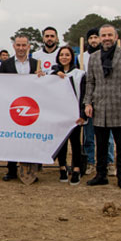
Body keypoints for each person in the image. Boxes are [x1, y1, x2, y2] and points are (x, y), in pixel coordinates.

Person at [84, 24, 121, 190]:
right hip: (100, 108)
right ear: (100, 38)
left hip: (120, 108)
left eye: (109, 35)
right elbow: (90, 82)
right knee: (101, 145)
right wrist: (88, 102)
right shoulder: (94, 57)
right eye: (104, 35)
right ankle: (101, 175)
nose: (107, 38)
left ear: (116, 37)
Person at [0, 34, 43, 182]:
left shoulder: (36, 64)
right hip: (12, 107)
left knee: (30, 139)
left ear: (29, 46)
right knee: (12, 138)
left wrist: (42, 76)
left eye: (24, 45)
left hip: (30, 108)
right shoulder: (5, 64)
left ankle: (30, 171)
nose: (21, 48)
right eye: (18, 45)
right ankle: (11, 170)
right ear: (14, 46)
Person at [81, 28, 116, 176]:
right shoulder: (82, 57)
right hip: (89, 100)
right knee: (88, 135)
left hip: (105, 101)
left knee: (108, 137)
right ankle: (90, 162)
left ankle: (109, 162)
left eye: (96, 37)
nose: (93, 40)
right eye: (91, 38)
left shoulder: (109, 55)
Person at [52, 46, 86, 185]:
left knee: (75, 142)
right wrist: (56, 72)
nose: (64, 57)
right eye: (62, 55)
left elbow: (84, 95)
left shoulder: (80, 74)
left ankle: (76, 169)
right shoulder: (53, 73)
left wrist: (83, 114)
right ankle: (62, 167)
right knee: (62, 143)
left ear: (72, 57)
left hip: (75, 114)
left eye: (67, 55)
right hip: (60, 114)